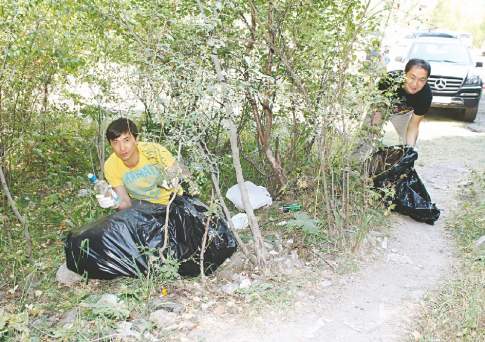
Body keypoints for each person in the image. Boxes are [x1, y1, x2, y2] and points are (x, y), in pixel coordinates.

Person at [97, 117, 185, 209]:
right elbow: (125, 203)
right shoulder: (111, 166)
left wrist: (173, 177)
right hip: (144, 210)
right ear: (110, 144)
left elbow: (181, 171)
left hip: (173, 202)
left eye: (126, 140)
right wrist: (114, 202)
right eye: (115, 142)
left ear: (136, 139)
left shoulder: (153, 151)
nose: (122, 148)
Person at [372, 58, 432, 147]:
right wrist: (373, 136)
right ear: (404, 74)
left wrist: (409, 150)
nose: (415, 84)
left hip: (402, 113)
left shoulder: (425, 95)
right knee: (367, 137)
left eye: (422, 80)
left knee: (407, 145)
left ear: (426, 80)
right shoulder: (388, 81)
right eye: (412, 77)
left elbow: (414, 125)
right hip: (381, 108)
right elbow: (377, 112)